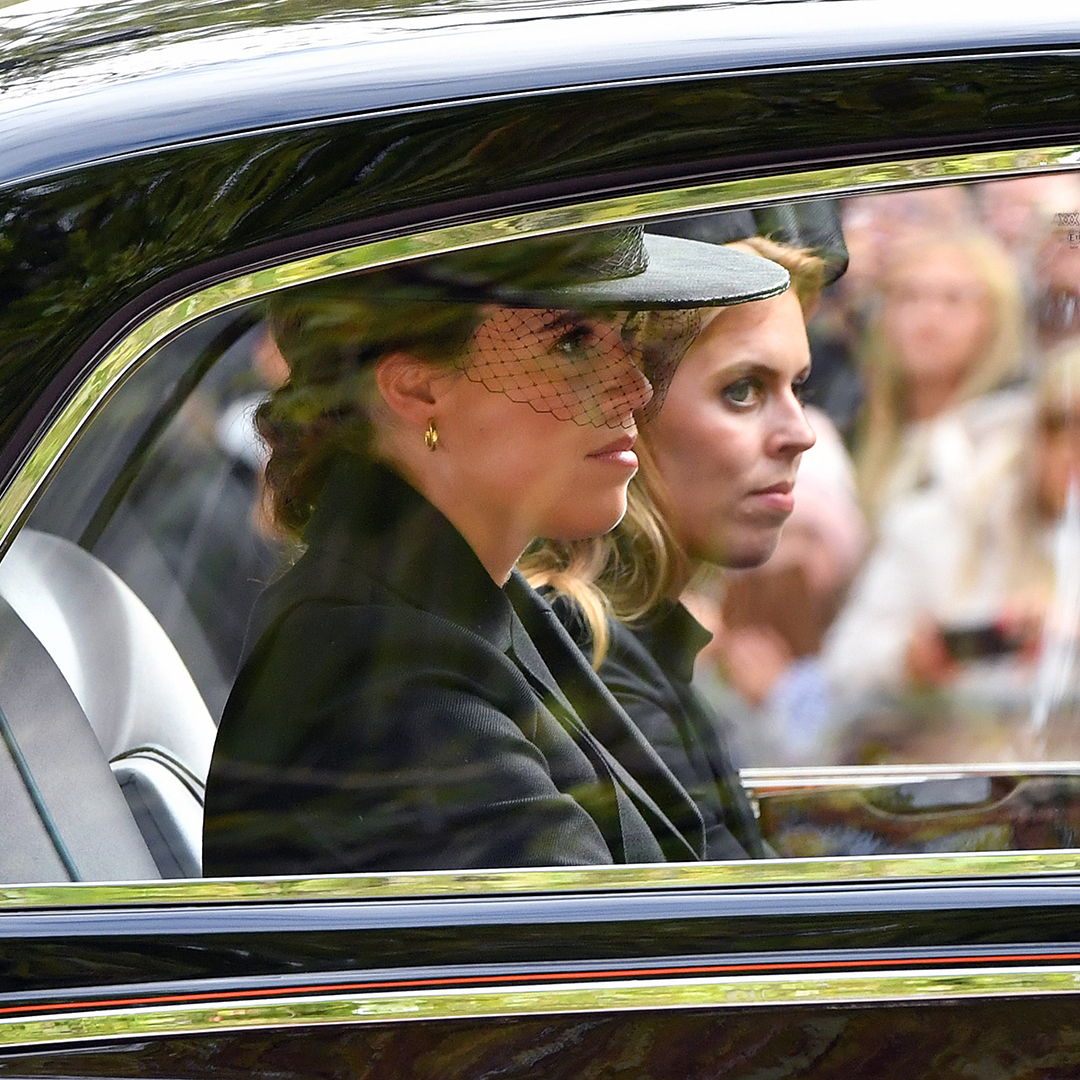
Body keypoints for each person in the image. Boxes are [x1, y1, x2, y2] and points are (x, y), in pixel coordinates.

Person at [202, 224, 790, 875]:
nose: (635, 389)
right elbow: (607, 954)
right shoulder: (391, 681)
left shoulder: (463, 607)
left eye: (627, 339)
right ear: (418, 388)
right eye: (572, 343)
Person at [523, 235, 822, 859]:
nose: (801, 433)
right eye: (743, 390)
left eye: (800, 386)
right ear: (625, 402)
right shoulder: (586, 653)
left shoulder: (632, 637)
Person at [822, 340, 1080, 764]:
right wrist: (911, 660)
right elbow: (845, 667)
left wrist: (1066, 631)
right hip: (954, 782)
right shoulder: (938, 524)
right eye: (1068, 432)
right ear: (1039, 434)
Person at [852, 230, 1025, 525]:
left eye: (954, 299)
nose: (929, 315)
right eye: (908, 296)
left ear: (997, 317)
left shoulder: (1014, 433)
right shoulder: (855, 428)